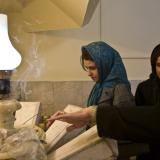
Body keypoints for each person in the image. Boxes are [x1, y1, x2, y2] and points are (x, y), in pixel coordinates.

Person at [47, 41, 134, 128]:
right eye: (87, 68)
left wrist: (87, 117)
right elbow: (97, 113)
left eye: (92, 68)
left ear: (106, 64)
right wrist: (74, 116)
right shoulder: (100, 84)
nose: (89, 73)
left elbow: (123, 124)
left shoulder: (120, 88)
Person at [135, 44, 160, 160]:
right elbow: (138, 123)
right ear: (153, 66)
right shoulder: (144, 88)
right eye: (159, 65)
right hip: (149, 150)